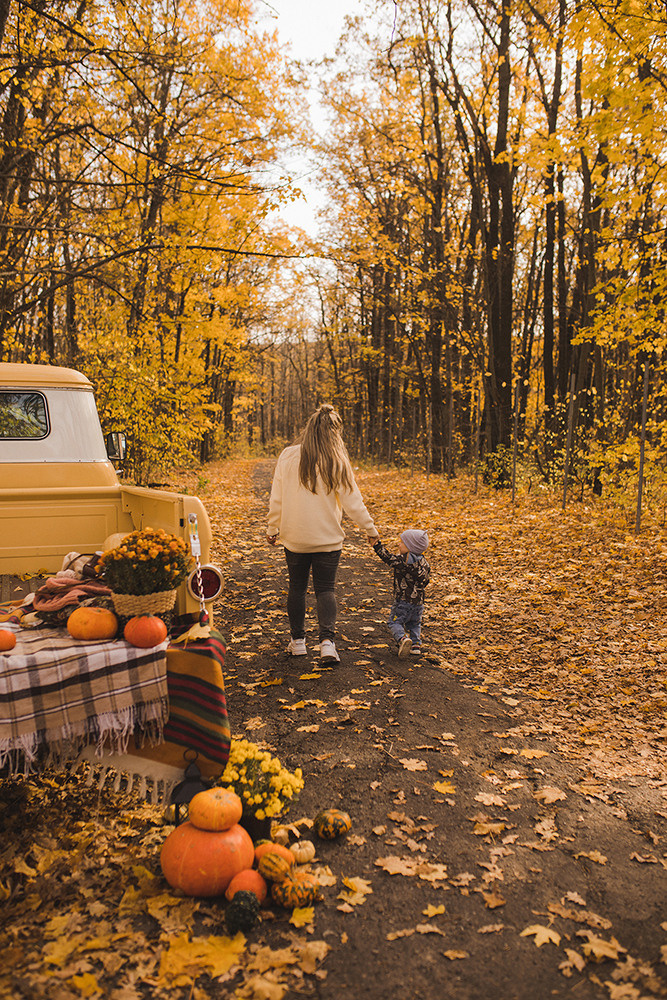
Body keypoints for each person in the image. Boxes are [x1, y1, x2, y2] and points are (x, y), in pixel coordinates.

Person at [267, 404, 379, 664]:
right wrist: (370, 530)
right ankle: (327, 644)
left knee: (297, 587)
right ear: (334, 433)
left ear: (309, 428)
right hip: (327, 539)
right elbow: (354, 502)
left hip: (294, 538)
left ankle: (297, 642)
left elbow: (277, 499)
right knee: (325, 588)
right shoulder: (337, 459)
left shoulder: (288, 455)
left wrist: (273, 528)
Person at [371, 529, 430, 658]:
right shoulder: (424, 563)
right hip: (418, 603)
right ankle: (415, 645)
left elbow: (388, 558)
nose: (399, 544)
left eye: (402, 542)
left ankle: (402, 639)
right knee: (414, 624)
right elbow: (426, 581)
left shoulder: (403, 562)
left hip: (403, 602)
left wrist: (376, 545)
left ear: (411, 547)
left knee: (394, 622)